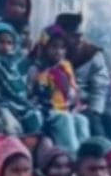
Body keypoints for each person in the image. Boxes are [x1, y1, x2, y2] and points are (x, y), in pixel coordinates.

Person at [33, 25, 90, 154]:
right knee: (65, 119)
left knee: (82, 120)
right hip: (46, 111)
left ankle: (86, 155)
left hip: (65, 109)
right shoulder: (38, 68)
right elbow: (39, 94)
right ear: (45, 47)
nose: (58, 51)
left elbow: (73, 91)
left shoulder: (66, 66)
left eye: (62, 47)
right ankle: (72, 156)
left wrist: (75, 104)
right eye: (54, 46)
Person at [55, 13, 111, 140]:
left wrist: (95, 111)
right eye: (74, 36)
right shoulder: (49, 50)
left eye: (80, 35)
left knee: (108, 121)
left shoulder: (92, 54)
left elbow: (100, 87)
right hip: (55, 104)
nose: (79, 40)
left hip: (85, 104)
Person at [0, 22, 43, 137]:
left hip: (20, 101)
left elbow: (20, 84)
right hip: (1, 102)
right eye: (1, 42)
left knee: (35, 116)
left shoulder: (15, 62)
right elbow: (1, 86)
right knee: (10, 126)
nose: (5, 46)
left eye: (9, 43)